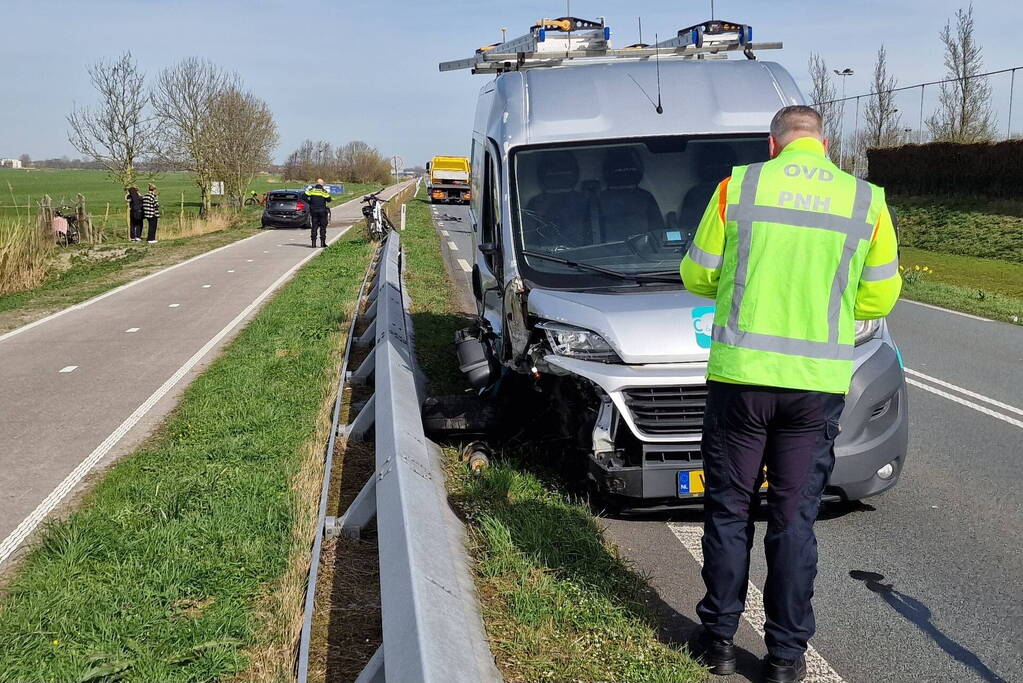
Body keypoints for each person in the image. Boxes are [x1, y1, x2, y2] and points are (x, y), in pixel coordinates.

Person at [679, 105, 902, 683]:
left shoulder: (738, 187)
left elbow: (698, 275)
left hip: (742, 381)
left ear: (772, 144)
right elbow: (878, 300)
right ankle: (784, 658)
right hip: (815, 387)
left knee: (729, 511)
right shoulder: (866, 201)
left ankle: (720, 641)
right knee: (793, 520)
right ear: (824, 145)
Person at [304, 178, 332, 248]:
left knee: (314, 226)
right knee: (323, 227)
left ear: (316, 183)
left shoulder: (311, 190)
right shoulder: (323, 191)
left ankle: (313, 244)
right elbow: (329, 200)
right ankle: (322, 243)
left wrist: (310, 202)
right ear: (322, 184)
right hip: (322, 211)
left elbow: (303, 196)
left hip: (313, 211)